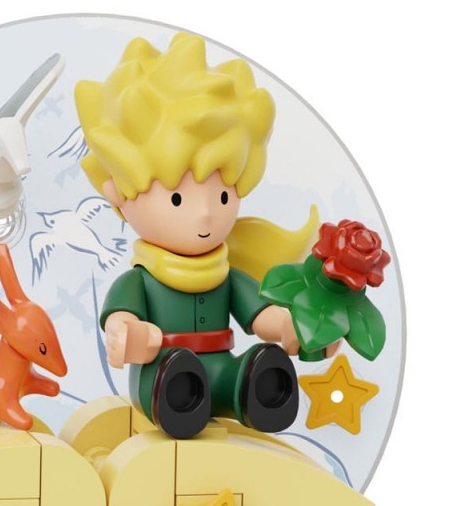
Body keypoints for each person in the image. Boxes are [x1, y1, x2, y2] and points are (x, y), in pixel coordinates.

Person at [75, 32, 318, 438]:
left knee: (251, 369)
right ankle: (179, 398)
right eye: (177, 199)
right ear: (118, 192)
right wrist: (127, 333)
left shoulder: (226, 275)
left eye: (222, 196)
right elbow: (121, 318)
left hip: (222, 367)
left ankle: (254, 392)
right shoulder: (141, 280)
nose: (205, 213)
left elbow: (261, 318)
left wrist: (292, 327)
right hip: (161, 374)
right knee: (176, 378)